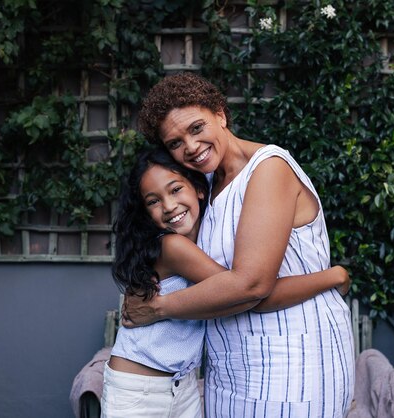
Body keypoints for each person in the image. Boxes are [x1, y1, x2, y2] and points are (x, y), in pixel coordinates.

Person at [121, 72, 355, 417]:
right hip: (230, 368)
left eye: (197, 128)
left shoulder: (268, 168)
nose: (191, 146)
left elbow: (251, 285)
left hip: (293, 362)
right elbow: (210, 275)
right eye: (175, 142)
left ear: (220, 114)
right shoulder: (207, 185)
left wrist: (159, 307)